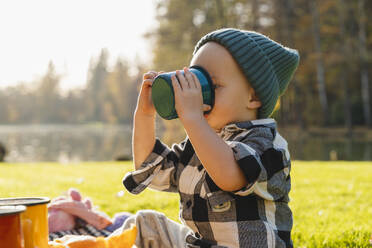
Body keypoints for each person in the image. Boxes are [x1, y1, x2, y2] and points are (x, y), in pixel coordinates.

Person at [119, 28, 299, 248]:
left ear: (253, 96)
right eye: (196, 80)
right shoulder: (200, 142)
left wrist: (194, 119)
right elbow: (152, 168)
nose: (199, 94)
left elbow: (231, 176)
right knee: (146, 224)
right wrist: (145, 115)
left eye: (211, 86)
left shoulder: (266, 143)